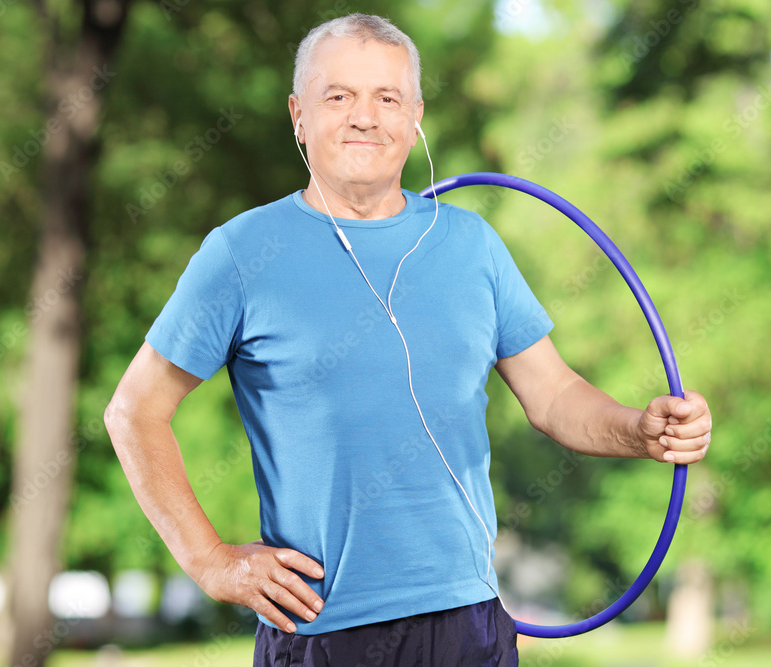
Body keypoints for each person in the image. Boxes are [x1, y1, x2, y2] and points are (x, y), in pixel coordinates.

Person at [103, 13, 712, 667]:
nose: (365, 117)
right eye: (339, 96)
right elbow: (134, 411)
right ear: (298, 115)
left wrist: (640, 430)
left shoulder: (473, 245)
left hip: (467, 627)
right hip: (320, 630)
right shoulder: (241, 252)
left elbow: (555, 395)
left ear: (415, 115)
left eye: (386, 98)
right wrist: (212, 561)